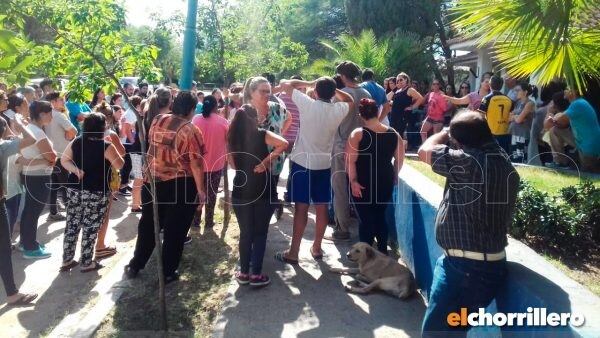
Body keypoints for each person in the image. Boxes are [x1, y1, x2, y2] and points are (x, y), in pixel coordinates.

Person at [418, 111, 520, 337]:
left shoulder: (468, 163)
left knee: (437, 333)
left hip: (465, 269)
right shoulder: (503, 162)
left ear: (460, 142)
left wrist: (444, 133)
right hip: (485, 268)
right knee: (455, 330)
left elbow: (424, 151)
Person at [125, 91, 206, 283]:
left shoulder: (158, 120)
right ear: (192, 109)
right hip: (180, 184)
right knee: (175, 230)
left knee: (149, 224)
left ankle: (136, 264)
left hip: (152, 181)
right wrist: (201, 190)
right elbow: (195, 163)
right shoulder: (191, 130)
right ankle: (168, 271)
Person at [275, 76, 353, 263]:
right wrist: (335, 90)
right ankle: (317, 247)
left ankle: (294, 252)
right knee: (322, 207)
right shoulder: (338, 109)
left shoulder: (307, 104)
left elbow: (286, 84)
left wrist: (310, 83)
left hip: (302, 164)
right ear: (333, 94)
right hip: (324, 165)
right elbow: (350, 100)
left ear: (315, 92)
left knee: (301, 208)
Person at [228, 104, 287, 287]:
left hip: (240, 189)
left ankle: (244, 273)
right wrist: (266, 161)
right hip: (263, 189)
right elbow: (284, 144)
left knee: (246, 233)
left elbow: (231, 165)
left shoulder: (231, 138)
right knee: (260, 233)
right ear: (255, 119)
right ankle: (256, 274)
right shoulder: (262, 134)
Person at [59, 113, 124, 272]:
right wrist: (112, 148)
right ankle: (86, 262)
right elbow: (120, 164)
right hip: (96, 191)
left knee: (72, 224)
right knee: (90, 225)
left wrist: (76, 170)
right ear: (102, 128)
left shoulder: (77, 141)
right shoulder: (106, 146)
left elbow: (64, 160)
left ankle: (66, 260)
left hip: (75, 189)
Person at [347, 98, 403, 254]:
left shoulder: (357, 134)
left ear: (361, 115)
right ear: (378, 112)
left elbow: (350, 161)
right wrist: (394, 176)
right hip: (384, 179)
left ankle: (366, 256)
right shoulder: (394, 134)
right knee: (379, 216)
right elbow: (399, 160)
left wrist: (353, 181)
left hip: (363, 181)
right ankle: (383, 251)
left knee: (365, 219)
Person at [329, 61, 372, 241]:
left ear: (342, 76)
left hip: (341, 145)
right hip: (362, 145)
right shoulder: (366, 93)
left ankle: (342, 229)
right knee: (359, 186)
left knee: (340, 189)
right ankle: (366, 230)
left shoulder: (341, 94)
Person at [0, 114, 38, 305]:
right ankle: (12, 294)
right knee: (4, 250)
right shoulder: (3, 147)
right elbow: (31, 139)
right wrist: (22, 125)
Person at [243, 76, 292, 219]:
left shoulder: (277, 108)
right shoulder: (245, 111)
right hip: (253, 160)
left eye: (268, 91)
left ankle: (268, 213)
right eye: (262, 91)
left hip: (274, 159)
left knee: (270, 189)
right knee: (254, 192)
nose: (267, 94)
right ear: (251, 92)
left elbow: (289, 117)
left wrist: (280, 134)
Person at [18, 100, 57, 259]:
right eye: (50, 113)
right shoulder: (38, 133)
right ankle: (30, 247)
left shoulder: (29, 129)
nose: (52, 117)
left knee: (29, 210)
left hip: (31, 175)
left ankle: (25, 242)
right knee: (33, 212)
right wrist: (48, 159)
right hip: (38, 177)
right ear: (42, 114)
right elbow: (52, 157)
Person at [192, 95, 229, 229]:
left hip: (197, 165)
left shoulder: (195, 119)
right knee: (211, 195)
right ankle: (208, 222)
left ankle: (195, 221)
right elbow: (228, 141)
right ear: (216, 106)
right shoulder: (223, 122)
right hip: (216, 164)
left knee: (197, 193)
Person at [545, 90, 600, 172]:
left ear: (573, 92)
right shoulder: (578, 103)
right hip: (583, 144)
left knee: (588, 176)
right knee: (555, 130)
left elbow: (557, 120)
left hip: (589, 147)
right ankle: (561, 162)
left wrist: (549, 112)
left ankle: (562, 162)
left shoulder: (578, 104)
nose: (564, 91)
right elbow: (552, 125)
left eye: (567, 89)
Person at [44, 92, 77, 222]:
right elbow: (74, 131)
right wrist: (68, 136)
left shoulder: (45, 115)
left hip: (50, 154)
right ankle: (70, 212)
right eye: (60, 100)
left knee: (55, 184)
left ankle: (53, 211)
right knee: (66, 184)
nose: (63, 102)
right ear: (53, 102)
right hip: (62, 154)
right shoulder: (58, 115)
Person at [388, 72, 424, 148]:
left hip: (403, 116)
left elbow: (420, 98)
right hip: (394, 115)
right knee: (393, 134)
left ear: (406, 80)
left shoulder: (409, 89)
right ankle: (396, 152)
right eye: (397, 80)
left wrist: (412, 107)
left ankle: (400, 153)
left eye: (401, 80)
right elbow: (387, 98)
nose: (399, 82)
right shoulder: (397, 90)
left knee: (399, 135)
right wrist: (395, 89)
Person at [479, 75, 514, 153]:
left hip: (491, 134)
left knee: (491, 156)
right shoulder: (508, 99)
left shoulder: (486, 99)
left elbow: (480, 117)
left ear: (490, 85)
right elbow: (512, 117)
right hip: (506, 133)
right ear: (501, 86)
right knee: (504, 156)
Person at [508, 82, 536, 162]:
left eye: (518, 90)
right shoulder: (518, 103)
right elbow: (509, 118)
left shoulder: (530, 103)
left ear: (525, 92)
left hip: (523, 135)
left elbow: (519, 119)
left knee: (521, 159)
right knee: (513, 158)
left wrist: (516, 117)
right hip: (514, 133)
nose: (516, 92)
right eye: (515, 90)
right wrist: (516, 117)